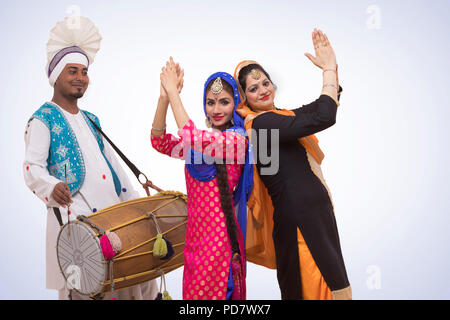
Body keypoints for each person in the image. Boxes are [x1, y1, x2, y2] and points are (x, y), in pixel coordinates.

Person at [23, 16, 157, 300]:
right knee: (86, 288)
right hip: (77, 223)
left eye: (84, 71)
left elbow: (116, 170)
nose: (80, 77)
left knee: (132, 281)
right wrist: (49, 186)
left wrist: (137, 204)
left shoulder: (92, 120)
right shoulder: (43, 119)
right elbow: (31, 167)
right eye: (72, 70)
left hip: (115, 221)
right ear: (56, 76)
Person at [234, 29, 351, 300]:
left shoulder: (280, 118)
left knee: (334, 289)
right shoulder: (261, 125)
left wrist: (332, 72)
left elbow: (318, 109)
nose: (262, 90)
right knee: (314, 291)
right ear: (244, 98)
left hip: (315, 219)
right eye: (253, 88)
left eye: (265, 83)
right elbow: (324, 115)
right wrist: (328, 71)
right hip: (299, 223)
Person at [151, 58, 252, 300]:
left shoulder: (236, 141)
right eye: (210, 102)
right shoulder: (199, 146)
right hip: (195, 241)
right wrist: (164, 98)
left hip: (220, 242)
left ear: (236, 104)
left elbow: (193, 137)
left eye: (224, 102)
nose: (216, 110)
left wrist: (175, 93)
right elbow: (160, 141)